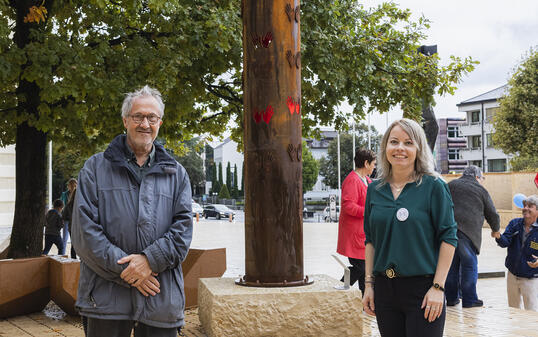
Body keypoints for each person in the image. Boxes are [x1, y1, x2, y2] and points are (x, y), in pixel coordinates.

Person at [71, 85, 193, 337]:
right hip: (105, 299)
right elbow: (85, 233)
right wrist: (130, 271)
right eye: (138, 117)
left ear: (160, 122)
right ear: (125, 120)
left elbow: (182, 232)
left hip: (160, 297)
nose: (145, 124)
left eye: (152, 117)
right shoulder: (94, 168)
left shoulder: (177, 174)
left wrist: (149, 261)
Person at [362, 118, 457, 337]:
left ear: (419, 148)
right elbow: (370, 240)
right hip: (385, 290)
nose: (400, 148)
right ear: (385, 147)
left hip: (423, 290)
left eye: (408, 142)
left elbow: (449, 238)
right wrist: (369, 285)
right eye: (394, 142)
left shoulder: (434, 186)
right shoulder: (375, 189)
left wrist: (438, 287)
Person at [445, 165, 500, 308]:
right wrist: (496, 229)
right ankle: (470, 300)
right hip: (468, 233)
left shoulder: (450, 185)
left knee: (451, 266)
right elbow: (492, 213)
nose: (482, 181)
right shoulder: (480, 190)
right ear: (477, 177)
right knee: (469, 266)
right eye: (482, 178)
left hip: (449, 231)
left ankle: (451, 299)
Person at [337, 148, 376, 294]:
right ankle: (340, 290)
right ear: (366, 163)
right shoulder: (352, 180)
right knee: (361, 267)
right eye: (373, 164)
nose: (374, 167)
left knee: (365, 268)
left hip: (362, 233)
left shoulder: (366, 180)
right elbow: (348, 206)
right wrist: (367, 212)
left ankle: (364, 298)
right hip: (354, 234)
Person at [493, 195, 538, 311]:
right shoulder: (514, 224)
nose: (525, 208)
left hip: (531, 278)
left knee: (531, 312)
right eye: (524, 206)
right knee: (513, 311)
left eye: (530, 206)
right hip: (512, 275)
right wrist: (498, 236)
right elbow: (505, 242)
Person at [61, 178, 78, 259]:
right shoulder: (81, 204)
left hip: (71, 225)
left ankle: (73, 260)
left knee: (73, 244)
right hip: (78, 226)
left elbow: (64, 215)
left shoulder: (69, 204)